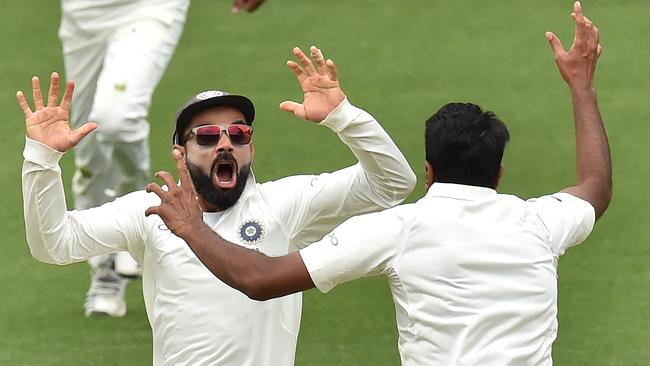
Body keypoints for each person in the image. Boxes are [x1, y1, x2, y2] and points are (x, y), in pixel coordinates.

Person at [146, 2, 611, 364]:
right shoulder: (539, 221)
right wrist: (581, 86)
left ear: (428, 172)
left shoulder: (396, 229)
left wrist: (192, 227)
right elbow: (595, 185)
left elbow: (260, 279)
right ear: (499, 173)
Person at [18, 46, 416, 365]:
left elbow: (393, 183)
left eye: (239, 133)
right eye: (207, 136)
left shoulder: (285, 204)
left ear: (250, 146)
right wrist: (41, 159)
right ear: (181, 151)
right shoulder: (151, 211)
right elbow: (54, 244)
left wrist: (344, 118)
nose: (225, 143)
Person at [58, 0, 267, 317]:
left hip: (150, 6)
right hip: (83, 13)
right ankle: (105, 268)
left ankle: (136, 213)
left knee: (117, 120)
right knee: (87, 146)